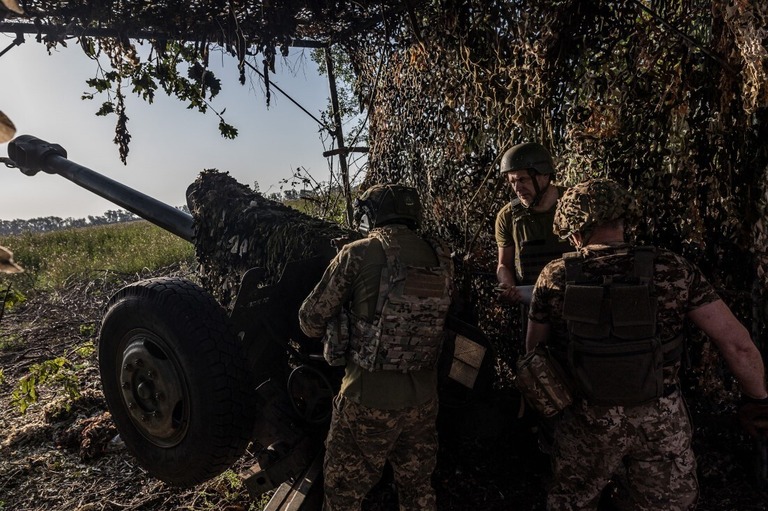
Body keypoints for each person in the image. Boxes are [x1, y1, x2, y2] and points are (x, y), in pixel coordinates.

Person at [525, 178, 768, 510]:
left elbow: (534, 355)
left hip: (586, 420)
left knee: (573, 502)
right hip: (661, 420)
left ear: (575, 229)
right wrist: (758, 400)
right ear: (623, 219)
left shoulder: (554, 276)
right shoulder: (671, 268)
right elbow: (737, 344)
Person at [298, 183, 453, 511]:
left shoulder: (358, 252)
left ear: (372, 215)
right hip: (424, 400)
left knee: (343, 496)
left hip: (367, 399)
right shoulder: (441, 255)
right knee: (417, 490)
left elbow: (310, 320)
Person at [495, 141, 570, 304]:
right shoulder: (507, 216)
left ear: (544, 174)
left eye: (522, 179)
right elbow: (504, 265)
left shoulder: (574, 205)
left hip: (574, 304)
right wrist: (508, 287)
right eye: (512, 182)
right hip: (532, 306)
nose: (517, 188)